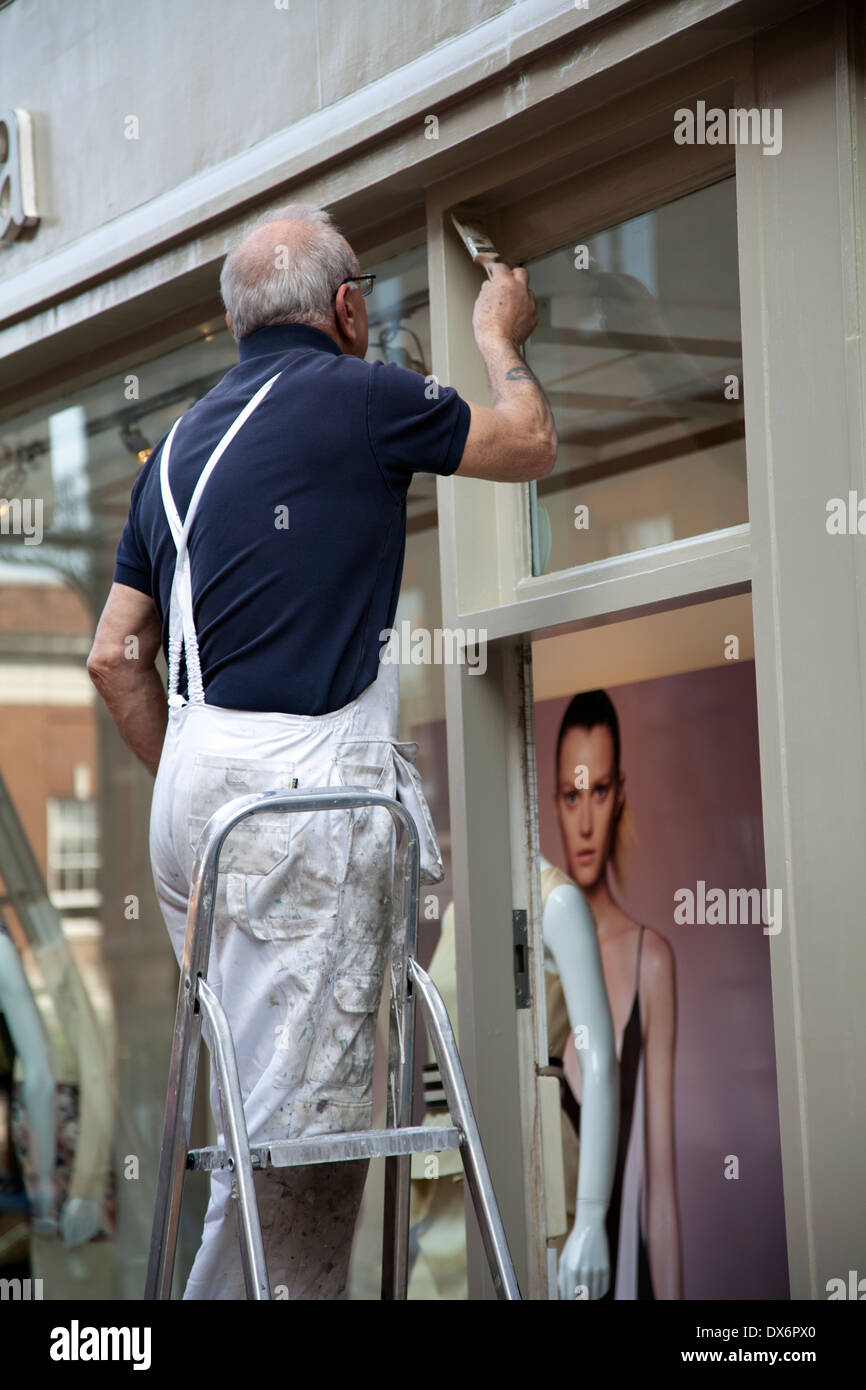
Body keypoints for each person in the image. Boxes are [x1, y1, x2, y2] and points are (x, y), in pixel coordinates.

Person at [86, 203, 557, 1299]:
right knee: (299, 1160)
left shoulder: (172, 453)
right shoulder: (362, 394)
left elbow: (115, 658)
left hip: (203, 803)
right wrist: (499, 336)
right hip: (300, 804)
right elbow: (528, 441)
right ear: (346, 310)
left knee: (252, 1136)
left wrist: (204, 795)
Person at [551, 689, 682, 1299]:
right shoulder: (530, 963)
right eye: (571, 795)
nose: (584, 822)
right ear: (553, 802)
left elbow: (661, 1185)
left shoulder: (648, 959)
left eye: (598, 792)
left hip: (623, 1280)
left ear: (619, 794)